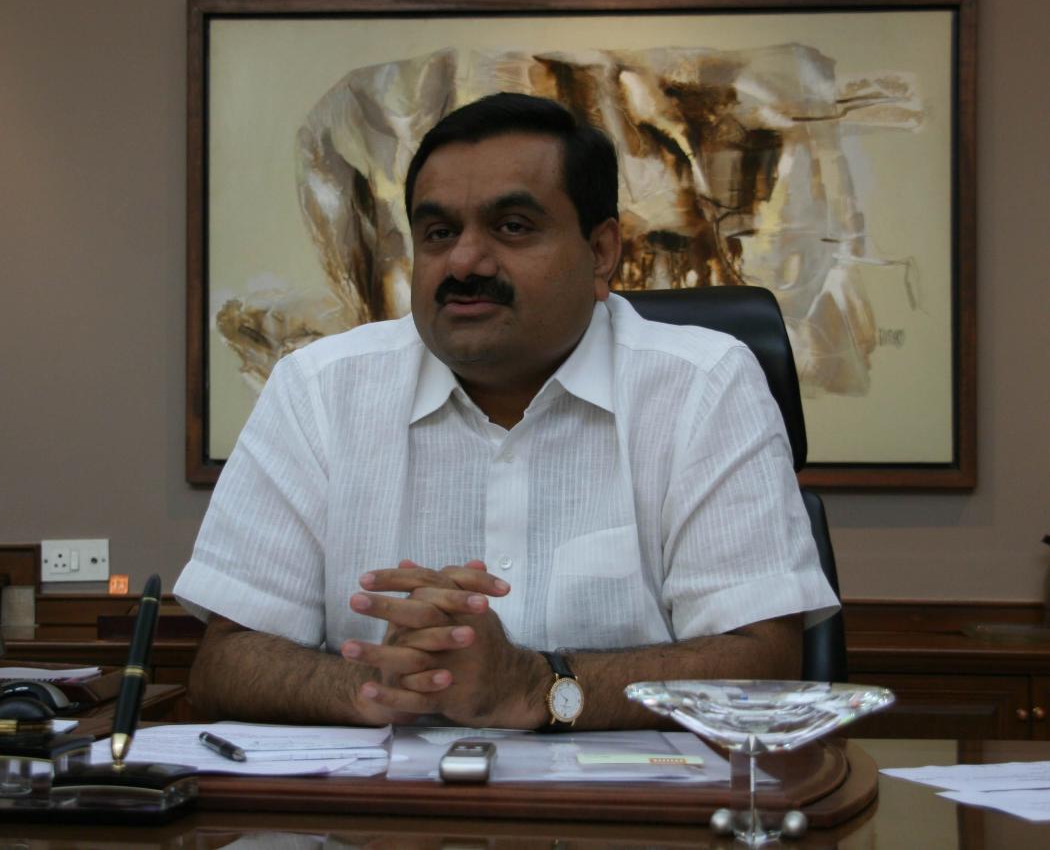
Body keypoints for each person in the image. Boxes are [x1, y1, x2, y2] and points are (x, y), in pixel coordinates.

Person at [174, 92, 839, 731]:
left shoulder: (702, 386)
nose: (465, 260)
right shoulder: (317, 392)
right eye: (438, 232)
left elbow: (763, 663)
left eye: (512, 227)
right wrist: (381, 682)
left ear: (602, 252)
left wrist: (531, 687)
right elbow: (226, 660)